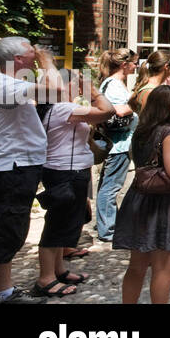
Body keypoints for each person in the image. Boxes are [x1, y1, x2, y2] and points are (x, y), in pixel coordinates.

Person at [114, 84, 170, 304]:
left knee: (137, 265)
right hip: (162, 202)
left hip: (138, 197)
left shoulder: (142, 130)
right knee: (163, 266)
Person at [33, 68, 111, 296]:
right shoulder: (63, 109)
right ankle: (45, 279)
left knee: (63, 223)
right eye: (74, 84)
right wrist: (94, 92)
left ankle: (58, 270)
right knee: (57, 224)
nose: (78, 89)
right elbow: (107, 111)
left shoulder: (53, 108)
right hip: (66, 172)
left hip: (65, 170)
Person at [0, 37, 52, 304]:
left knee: (9, 230)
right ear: (18, 60)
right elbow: (56, 89)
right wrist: (46, 59)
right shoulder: (4, 84)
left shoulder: (10, 84)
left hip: (15, 166)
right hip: (9, 168)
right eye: (30, 50)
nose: (34, 52)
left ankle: (4, 290)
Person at [94, 47, 138, 242]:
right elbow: (118, 110)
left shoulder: (111, 83)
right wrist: (137, 104)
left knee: (108, 185)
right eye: (134, 63)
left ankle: (110, 224)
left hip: (119, 141)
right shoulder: (113, 85)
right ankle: (108, 229)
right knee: (110, 187)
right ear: (124, 64)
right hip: (119, 143)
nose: (136, 66)